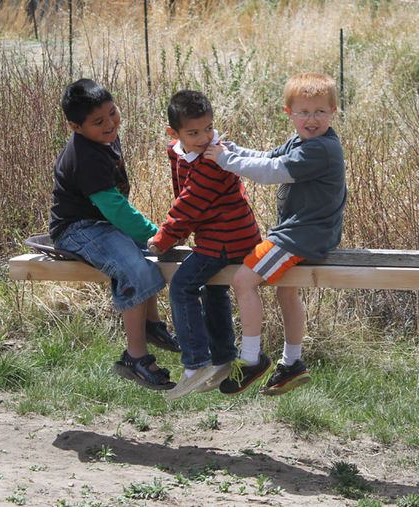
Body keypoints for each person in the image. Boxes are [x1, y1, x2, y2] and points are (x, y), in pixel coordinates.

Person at [204, 72, 347, 395]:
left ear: (333, 112)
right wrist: (235, 150)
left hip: (300, 236)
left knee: (243, 280)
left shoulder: (320, 150)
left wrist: (226, 160)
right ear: (289, 113)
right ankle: (291, 364)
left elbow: (271, 173)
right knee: (286, 291)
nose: (312, 119)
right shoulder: (303, 142)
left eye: (320, 112)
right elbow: (268, 158)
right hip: (309, 234)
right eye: (304, 112)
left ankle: (251, 358)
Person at [49, 78, 180, 391]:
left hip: (104, 223)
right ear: (75, 127)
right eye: (98, 121)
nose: (110, 123)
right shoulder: (85, 156)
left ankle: (151, 325)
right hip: (77, 228)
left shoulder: (105, 140)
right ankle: (135, 357)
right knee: (134, 269)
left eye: (112, 113)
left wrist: (156, 240)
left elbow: (116, 209)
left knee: (150, 257)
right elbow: (115, 209)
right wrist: (156, 233)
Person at [147, 90, 262, 400]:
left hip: (229, 237)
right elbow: (181, 193)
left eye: (209, 128)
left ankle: (196, 361)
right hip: (218, 236)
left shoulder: (214, 160)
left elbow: (189, 204)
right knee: (213, 288)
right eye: (194, 132)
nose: (204, 137)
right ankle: (223, 356)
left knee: (182, 287)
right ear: (174, 133)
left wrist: (163, 240)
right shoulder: (179, 153)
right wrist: (181, 234)